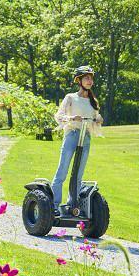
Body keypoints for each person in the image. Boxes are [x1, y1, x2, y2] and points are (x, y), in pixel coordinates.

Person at [51, 66, 103, 214]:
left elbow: (95, 118)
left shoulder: (93, 101)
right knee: (62, 171)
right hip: (72, 134)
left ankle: (72, 206)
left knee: (78, 175)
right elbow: (58, 115)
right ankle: (54, 205)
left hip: (85, 137)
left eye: (91, 78)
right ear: (79, 80)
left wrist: (98, 119)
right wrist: (71, 118)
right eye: (86, 78)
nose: (90, 81)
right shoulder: (70, 97)